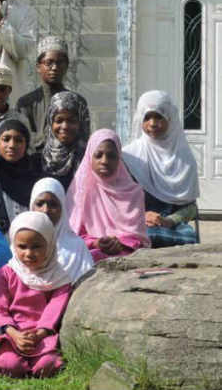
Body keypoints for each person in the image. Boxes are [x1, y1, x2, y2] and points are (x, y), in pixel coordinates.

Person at [0, 212, 73, 378]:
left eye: (36, 246)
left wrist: (39, 334)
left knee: (48, 365)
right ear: (13, 245)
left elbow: (54, 310)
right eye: (22, 246)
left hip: (42, 335)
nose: (29, 253)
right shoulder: (5, 273)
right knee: (9, 365)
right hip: (10, 334)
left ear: (50, 244)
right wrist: (15, 334)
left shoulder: (59, 278)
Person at [123, 90, 200, 247]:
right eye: (147, 117)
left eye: (159, 116)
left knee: (188, 239)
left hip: (172, 225)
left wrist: (169, 220)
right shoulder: (129, 156)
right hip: (135, 221)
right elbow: (120, 200)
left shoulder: (185, 159)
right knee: (137, 238)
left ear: (170, 118)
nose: (152, 123)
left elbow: (191, 208)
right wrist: (141, 215)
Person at [67, 129, 150, 262]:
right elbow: (72, 234)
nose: (104, 161)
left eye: (111, 156)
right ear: (89, 157)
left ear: (119, 159)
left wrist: (120, 243)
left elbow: (139, 238)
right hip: (89, 251)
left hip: (127, 252)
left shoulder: (133, 193)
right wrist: (95, 243)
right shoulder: (80, 191)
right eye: (98, 155)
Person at [0, 119, 43, 234]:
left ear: (26, 144)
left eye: (18, 140)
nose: (12, 145)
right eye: (6, 139)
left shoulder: (36, 171)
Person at [29, 178, 94, 285]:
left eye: (53, 205)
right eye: (40, 204)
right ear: (32, 206)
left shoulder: (77, 247)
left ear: (62, 208)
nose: (45, 210)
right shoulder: (21, 245)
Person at [16, 37, 71, 150]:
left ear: (66, 66)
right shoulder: (26, 103)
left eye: (60, 62)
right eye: (49, 63)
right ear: (38, 67)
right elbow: (22, 136)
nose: (54, 68)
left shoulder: (75, 102)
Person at [40, 90, 90, 189]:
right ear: (50, 122)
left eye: (71, 121)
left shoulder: (90, 158)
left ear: (81, 122)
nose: (65, 126)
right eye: (59, 120)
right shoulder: (38, 160)